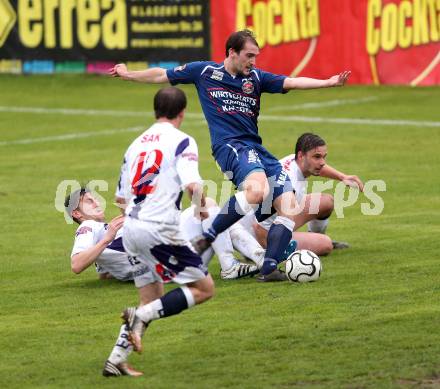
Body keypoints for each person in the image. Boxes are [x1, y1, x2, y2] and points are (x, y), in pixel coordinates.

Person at [110, 29, 351, 282]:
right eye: (249, 55)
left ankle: (268, 268)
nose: (253, 62)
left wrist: (328, 82)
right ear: (232, 53)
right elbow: (161, 74)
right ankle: (210, 234)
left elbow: (291, 81)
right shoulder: (204, 72)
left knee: (288, 208)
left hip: (257, 149)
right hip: (230, 146)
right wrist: (128, 75)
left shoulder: (256, 78)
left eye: (256, 56)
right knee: (256, 191)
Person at [103, 86, 215, 377]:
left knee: (150, 298)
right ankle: (140, 317)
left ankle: (116, 360)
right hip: (159, 229)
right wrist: (202, 211)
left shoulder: (134, 145)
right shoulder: (183, 141)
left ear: (155, 111)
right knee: (204, 289)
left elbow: (120, 198)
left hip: (131, 230)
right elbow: (193, 185)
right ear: (183, 112)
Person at [65, 187, 162, 377]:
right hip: (160, 256)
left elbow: (106, 267)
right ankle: (228, 265)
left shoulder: (105, 228)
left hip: (157, 255)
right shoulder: (88, 227)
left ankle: (117, 359)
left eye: (95, 199)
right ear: (77, 213)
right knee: (211, 211)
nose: (97, 202)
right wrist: (108, 238)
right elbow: (76, 264)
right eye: (89, 201)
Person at [253, 133, 364, 256]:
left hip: (277, 220)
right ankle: (260, 251)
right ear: (301, 155)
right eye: (317, 157)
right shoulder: (290, 187)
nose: (322, 162)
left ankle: (313, 238)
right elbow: (259, 228)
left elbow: (319, 167)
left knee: (326, 202)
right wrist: (270, 257)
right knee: (325, 244)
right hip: (259, 235)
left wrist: (342, 177)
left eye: (323, 157)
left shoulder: (293, 160)